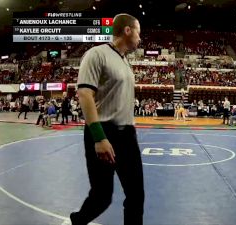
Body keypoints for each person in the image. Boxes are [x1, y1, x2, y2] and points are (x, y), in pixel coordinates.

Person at [71, 14, 144, 225]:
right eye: (138, 31)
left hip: (127, 135)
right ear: (127, 30)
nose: (140, 37)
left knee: (136, 195)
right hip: (104, 132)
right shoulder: (97, 54)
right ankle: (78, 220)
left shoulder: (124, 62)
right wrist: (99, 137)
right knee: (102, 197)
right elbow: (85, 94)